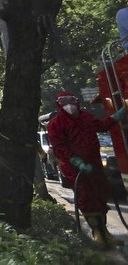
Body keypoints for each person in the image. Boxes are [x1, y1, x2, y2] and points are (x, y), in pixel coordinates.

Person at [47, 91, 126, 248]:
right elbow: (59, 147)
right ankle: (97, 233)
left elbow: (103, 126)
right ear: (59, 104)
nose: (69, 104)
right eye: (64, 102)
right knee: (87, 199)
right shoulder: (56, 123)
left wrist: (121, 113)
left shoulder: (86, 117)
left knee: (100, 197)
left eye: (71, 100)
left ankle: (105, 234)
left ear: (76, 101)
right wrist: (77, 162)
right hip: (75, 170)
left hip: (95, 165)